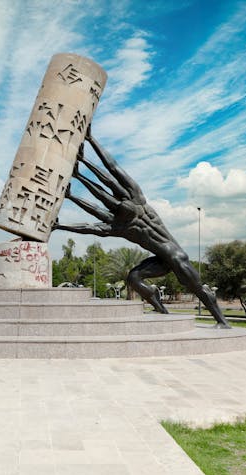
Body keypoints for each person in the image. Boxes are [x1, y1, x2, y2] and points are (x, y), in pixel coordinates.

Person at [54, 129, 230, 328]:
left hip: (175, 256)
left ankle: (222, 321)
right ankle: (159, 306)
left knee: (197, 288)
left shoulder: (135, 199)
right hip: (161, 260)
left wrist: (90, 142)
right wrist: (68, 207)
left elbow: (111, 170)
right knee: (133, 277)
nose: (118, 205)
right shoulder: (121, 225)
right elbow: (91, 222)